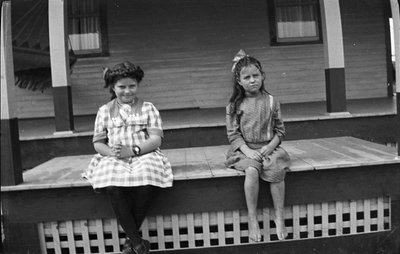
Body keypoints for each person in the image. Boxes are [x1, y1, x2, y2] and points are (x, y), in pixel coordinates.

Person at [83, 61, 173, 254]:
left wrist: (132, 151)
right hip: (114, 156)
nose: (127, 91)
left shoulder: (148, 108)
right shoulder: (104, 111)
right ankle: (138, 244)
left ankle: (130, 242)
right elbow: (98, 143)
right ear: (113, 87)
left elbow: (156, 139)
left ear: (137, 85)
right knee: (112, 185)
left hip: (144, 153)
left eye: (131, 86)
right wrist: (113, 153)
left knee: (149, 179)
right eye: (121, 87)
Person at [225, 50, 290, 242]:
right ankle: (253, 219)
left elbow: (280, 130)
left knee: (277, 170)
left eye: (256, 75)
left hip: (269, 147)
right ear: (239, 81)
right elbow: (233, 134)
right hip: (244, 149)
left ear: (263, 76)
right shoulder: (234, 105)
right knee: (252, 171)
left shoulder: (271, 101)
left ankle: (279, 216)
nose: (252, 80)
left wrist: (270, 147)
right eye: (247, 77)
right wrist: (248, 151)